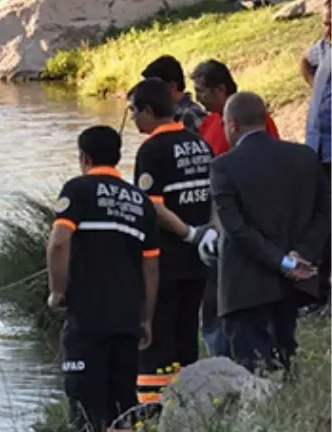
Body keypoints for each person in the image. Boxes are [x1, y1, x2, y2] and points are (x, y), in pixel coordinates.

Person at [47, 125, 159, 432]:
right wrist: (147, 318)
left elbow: (58, 242)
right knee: (123, 398)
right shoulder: (141, 202)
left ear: (84, 157)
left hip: (87, 316)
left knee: (86, 399)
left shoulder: (77, 190)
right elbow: (151, 266)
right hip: (128, 317)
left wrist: (57, 292)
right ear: (119, 156)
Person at [212, 92, 332, 374]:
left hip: (245, 287)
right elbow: (326, 212)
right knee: (284, 361)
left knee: (253, 375)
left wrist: (283, 261)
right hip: (293, 285)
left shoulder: (223, 167)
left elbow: (237, 230)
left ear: (233, 125)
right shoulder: (304, 157)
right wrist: (301, 254)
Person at [129, 77, 216, 402]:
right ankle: (189, 402)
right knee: (186, 332)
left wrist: (190, 234)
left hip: (167, 258)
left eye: (134, 112)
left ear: (149, 111)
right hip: (200, 259)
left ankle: (154, 411)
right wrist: (211, 232)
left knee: (157, 335)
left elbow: (152, 204)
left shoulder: (152, 150)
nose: (134, 119)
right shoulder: (199, 143)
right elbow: (215, 196)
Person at [189, 59, 281, 357]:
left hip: (246, 220)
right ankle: (220, 354)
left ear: (220, 89)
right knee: (213, 297)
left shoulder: (251, 118)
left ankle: (254, 355)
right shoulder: (207, 122)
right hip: (216, 219)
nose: (198, 97)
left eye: (201, 91)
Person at [302, 8, 332, 311]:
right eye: (325, 23)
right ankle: (317, 292)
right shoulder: (324, 47)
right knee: (320, 219)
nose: (327, 28)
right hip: (318, 148)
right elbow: (305, 58)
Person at [142, 55, 208, 133]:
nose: (149, 93)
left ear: (172, 86)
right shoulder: (168, 116)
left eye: (153, 88)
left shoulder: (191, 116)